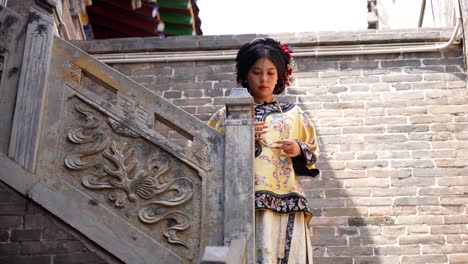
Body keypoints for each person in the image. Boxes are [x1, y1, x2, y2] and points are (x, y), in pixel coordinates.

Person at [208, 38, 319, 264]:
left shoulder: (294, 114)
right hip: (241, 202)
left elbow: (312, 154)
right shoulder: (225, 115)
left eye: (270, 72)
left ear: (280, 75)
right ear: (245, 75)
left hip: (287, 198)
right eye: (257, 72)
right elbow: (207, 153)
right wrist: (239, 138)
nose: (264, 79)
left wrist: (298, 149)